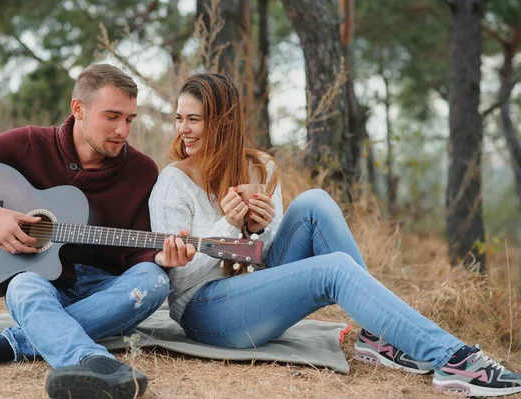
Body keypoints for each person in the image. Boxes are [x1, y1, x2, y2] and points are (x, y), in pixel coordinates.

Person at [148, 73, 521, 397]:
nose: (183, 129)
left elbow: (263, 258)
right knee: (334, 269)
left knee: (315, 201)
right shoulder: (172, 182)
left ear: (222, 122)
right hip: (205, 311)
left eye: (193, 119)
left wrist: (259, 228)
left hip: (252, 290)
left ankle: (379, 339)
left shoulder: (259, 168)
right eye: (180, 118)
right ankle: (452, 359)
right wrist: (228, 226)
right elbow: (177, 281)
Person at [0, 64, 195, 399]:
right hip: (45, 283)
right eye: (112, 116)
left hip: (104, 288)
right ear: (78, 109)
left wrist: (161, 256)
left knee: (153, 279)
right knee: (22, 286)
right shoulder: (30, 144)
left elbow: (134, 253)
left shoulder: (141, 170)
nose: (123, 130)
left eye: (130, 119)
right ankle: (92, 360)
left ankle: (6, 344)